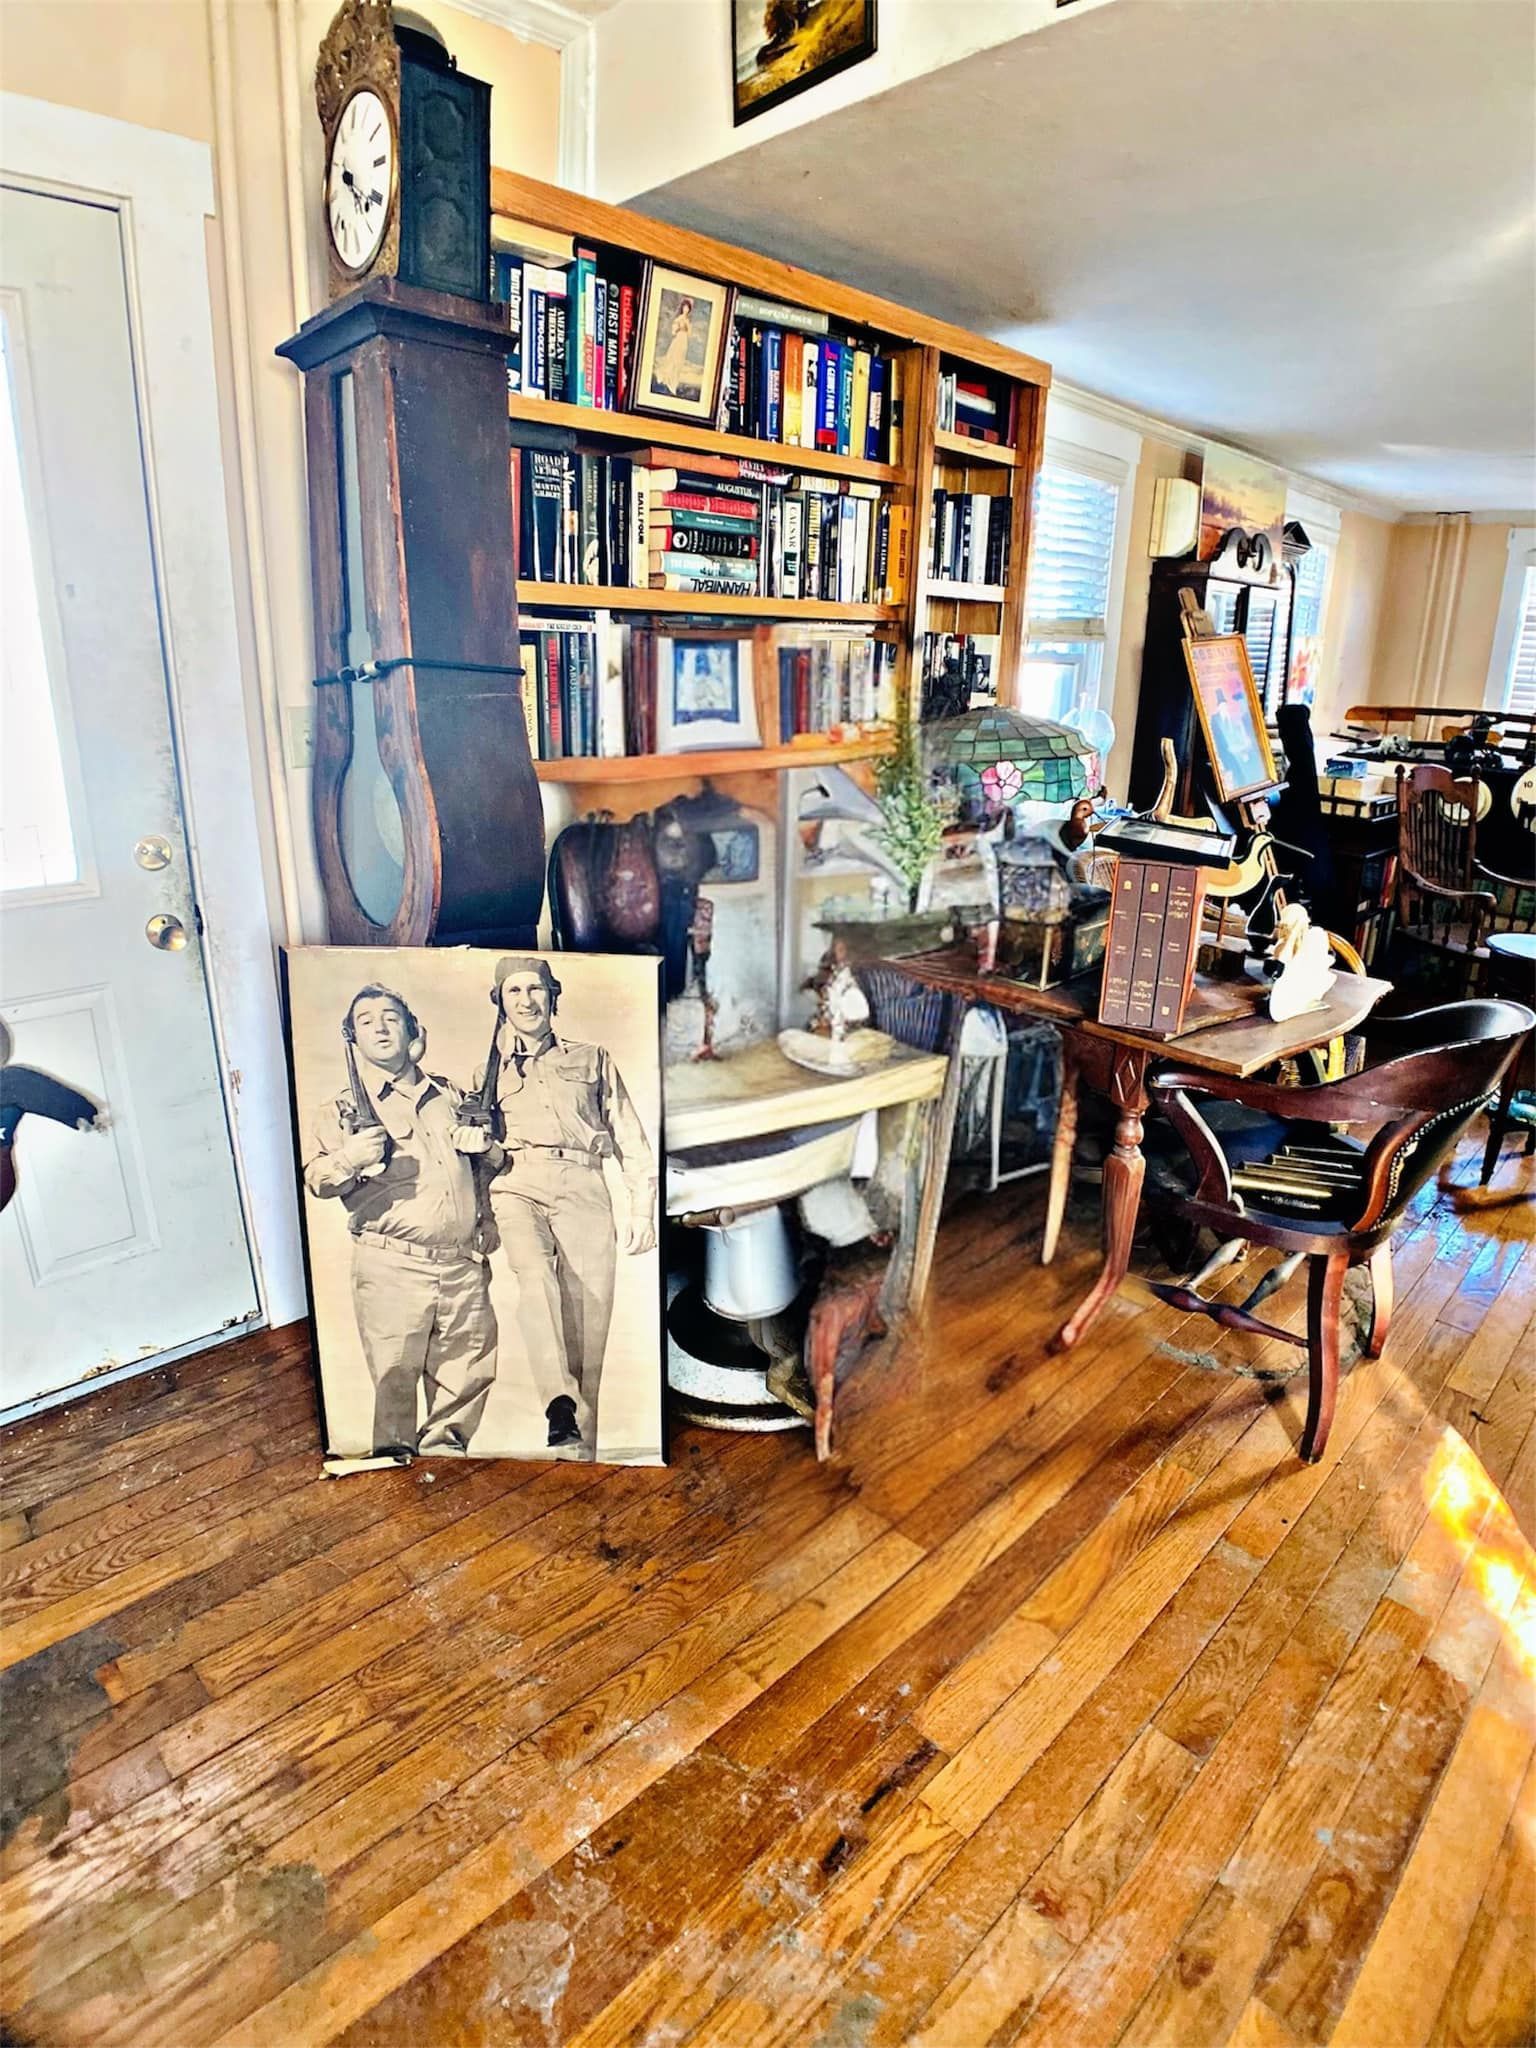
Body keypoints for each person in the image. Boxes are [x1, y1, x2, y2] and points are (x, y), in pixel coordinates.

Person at [303, 984, 497, 1456]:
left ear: (415, 1032)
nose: (380, 1027)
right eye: (366, 1021)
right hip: (392, 1267)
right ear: (354, 1040)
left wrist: (486, 1209)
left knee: (467, 1376)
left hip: (461, 1264)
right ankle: (395, 1474)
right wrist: (349, 1158)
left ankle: (448, 1463)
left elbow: (482, 1168)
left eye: (391, 1017)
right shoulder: (341, 1111)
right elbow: (318, 1180)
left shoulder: (450, 1096)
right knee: (395, 1381)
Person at [478, 956, 656, 1456]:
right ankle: (557, 1399)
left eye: (535, 989)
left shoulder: (592, 1058)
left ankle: (580, 1453)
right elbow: (478, 1156)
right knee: (534, 1278)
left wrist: (641, 1208)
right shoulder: (485, 1072)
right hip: (516, 1183)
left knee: (587, 1333)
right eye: (514, 992)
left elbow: (630, 1137)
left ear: (553, 997)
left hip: (583, 1184)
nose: (526, 1001)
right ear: (502, 1004)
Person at [652, 295, 696, 399]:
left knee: (679, 361)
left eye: (687, 308)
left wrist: (687, 326)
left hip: (683, 340)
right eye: (684, 307)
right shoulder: (678, 319)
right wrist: (677, 328)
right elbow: (673, 331)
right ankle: (666, 379)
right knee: (672, 358)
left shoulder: (688, 321)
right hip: (678, 339)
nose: (685, 309)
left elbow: (689, 334)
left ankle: (673, 384)